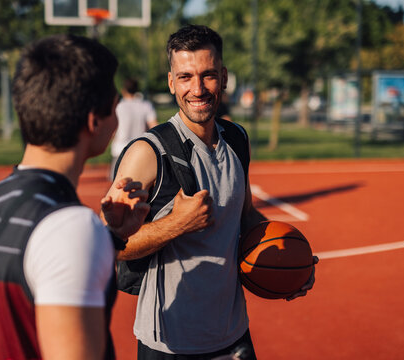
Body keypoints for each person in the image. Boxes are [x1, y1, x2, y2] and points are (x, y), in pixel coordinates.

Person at [104, 25, 317, 359]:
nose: (198, 89)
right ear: (171, 82)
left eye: (208, 75)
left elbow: (245, 214)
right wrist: (178, 223)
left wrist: (288, 254)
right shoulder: (147, 152)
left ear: (225, 76)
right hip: (168, 341)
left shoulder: (236, 138)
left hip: (233, 334)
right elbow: (114, 246)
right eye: (186, 77)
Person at [0, 34, 150, 360]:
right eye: (114, 107)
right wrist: (89, 236)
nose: (117, 120)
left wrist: (111, 238)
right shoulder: (71, 227)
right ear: (94, 120)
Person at [110, 77, 158, 178]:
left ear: (123, 90)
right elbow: (154, 126)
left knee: (116, 183)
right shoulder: (146, 106)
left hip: (119, 149)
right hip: (139, 150)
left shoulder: (118, 106)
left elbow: (112, 129)